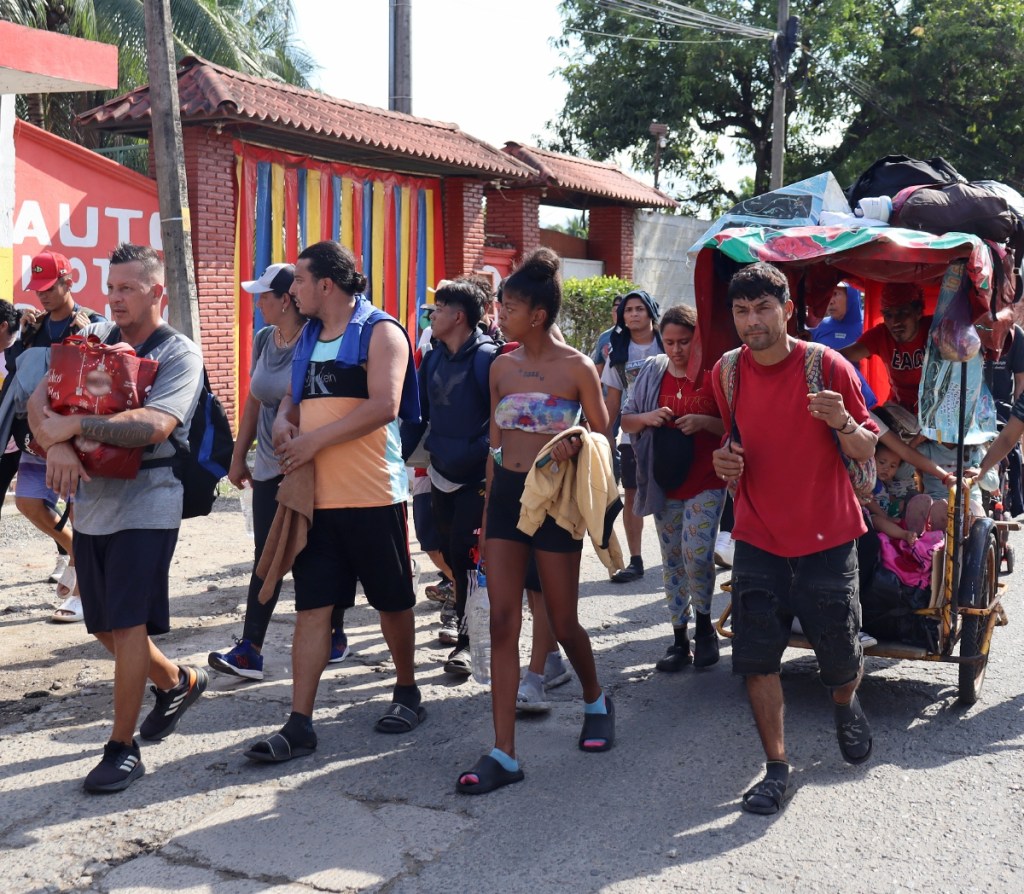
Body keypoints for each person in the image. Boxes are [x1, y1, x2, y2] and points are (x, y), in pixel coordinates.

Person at [27, 243, 206, 793]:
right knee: (103, 626)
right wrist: (55, 447)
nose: (115, 298)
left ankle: (121, 748)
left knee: (127, 623)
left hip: (150, 500)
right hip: (93, 504)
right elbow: (39, 405)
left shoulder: (179, 354)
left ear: (157, 292)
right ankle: (177, 681)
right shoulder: (95, 340)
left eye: (127, 288)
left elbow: (153, 425)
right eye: (112, 288)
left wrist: (72, 431)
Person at [244, 240, 424, 762]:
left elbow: (385, 406)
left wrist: (313, 441)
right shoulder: (305, 340)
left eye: (298, 279)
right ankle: (300, 722)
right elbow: (291, 405)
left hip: (373, 495)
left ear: (326, 284)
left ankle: (407, 690)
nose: (291, 288)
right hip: (316, 501)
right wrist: (283, 426)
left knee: (392, 601)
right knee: (312, 608)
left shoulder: (381, 331)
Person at [711, 261, 879, 816]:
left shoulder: (826, 365)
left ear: (787, 310)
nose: (752, 320)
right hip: (758, 536)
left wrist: (843, 424)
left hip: (828, 536)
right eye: (741, 310)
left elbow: (865, 452)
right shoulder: (727, 373)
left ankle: (845, 702)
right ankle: (777, 767)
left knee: (839, 658)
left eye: (763, 308)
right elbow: (734, 445)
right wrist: (725, 463)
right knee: (758, 660)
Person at [456, 247, 614, 795]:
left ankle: (596, 700)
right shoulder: (500, 365)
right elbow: (495, 447)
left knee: (564, 622)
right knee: (503, 621)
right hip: (505, 502)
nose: (500, 313)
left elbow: (603, 437)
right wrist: (485, 513)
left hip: (553, 502)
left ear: (538, 314)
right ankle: (504, 752)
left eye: (510, 306)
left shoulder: (577, 367)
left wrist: (577, 440)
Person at [208, 263, 347, 681]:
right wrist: (238, 456)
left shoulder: (318, 339)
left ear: (286, 299)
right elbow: (254, 400)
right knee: (265, 556)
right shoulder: (265, 338)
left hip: (311, 463)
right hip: (269, 465)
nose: (258, 302)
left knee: (319, 551)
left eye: (264, 295)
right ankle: (250, 649)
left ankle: (334, 631)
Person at [400, 278, 497, 676]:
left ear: (458, 316)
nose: (431, 315)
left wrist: (491, 463)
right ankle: (469, 619)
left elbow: (501, 418)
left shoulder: (487, 358)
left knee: (465, 551)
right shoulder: (435, 358)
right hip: (440, 470)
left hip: (478, 475)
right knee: (448, 550)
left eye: (437, 309)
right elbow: (416, 415)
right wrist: (398, 457)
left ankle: (468, 638)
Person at [620, 304, 726, 671]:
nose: (677, 349)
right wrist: (649, 418)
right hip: (665, 482)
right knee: (672, 560)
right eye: (669, 342)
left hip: (707, 481)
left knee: (697, 554)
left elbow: (735, 427)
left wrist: (705, 422)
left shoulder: (715, 374)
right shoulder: (652, 372)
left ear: (698, 340)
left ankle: (705, 627)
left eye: (684, 341)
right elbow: (627, 419)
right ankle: (680, 638)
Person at [12, 251, 106, 622]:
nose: (43, 296)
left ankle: (83, 594)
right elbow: (19, 375)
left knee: (82, 511)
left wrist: (86, 338)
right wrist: (23, 337)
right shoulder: (34, 326)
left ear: (69, 282)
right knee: (27, 502)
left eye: (49, 288)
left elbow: (103, 378)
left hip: (75, 436)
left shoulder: (94, 322)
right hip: (37, 434)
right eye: (38, 290)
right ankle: (76, 556)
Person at [603, 289, 663, 583]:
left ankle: (676, 554)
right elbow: (612, 401)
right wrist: (604, 437)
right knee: (632, 494)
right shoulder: (618, 352)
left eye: (640, 309)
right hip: (633, 436)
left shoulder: (669, 343)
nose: (634, 314)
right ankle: (635, 560)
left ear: (651, 312)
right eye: (628, 310)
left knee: (675, 492)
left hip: (672, 430)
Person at [840, 281, 931, 412]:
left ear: (918, 312)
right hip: (900, 412)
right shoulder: (881, 334)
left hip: (938, 412)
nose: (895, 322)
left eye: (903, 313)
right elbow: (843, 355)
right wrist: (808, 348)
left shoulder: (935, 330)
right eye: (888, 315)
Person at [983, 324, 1024, 516]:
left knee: (1014, 456)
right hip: (968, 408)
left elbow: (1020, 382)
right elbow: (1007, 439)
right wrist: (980, 472)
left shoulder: (1015, 335)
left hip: (1000, 407)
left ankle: (1012, 501)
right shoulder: (963, 330)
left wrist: (1016, 416)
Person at [0, 302, 23, 514]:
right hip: (5, 446)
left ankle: (67, 546)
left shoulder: (15, 351)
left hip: (20, 441)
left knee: (38, 502)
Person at [590, 293, 623, 375]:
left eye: (622, 310)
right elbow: (598, 369)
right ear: (612, 312)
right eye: (616, 311)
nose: (618, 314)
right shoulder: (604, 337)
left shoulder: (637, 336)